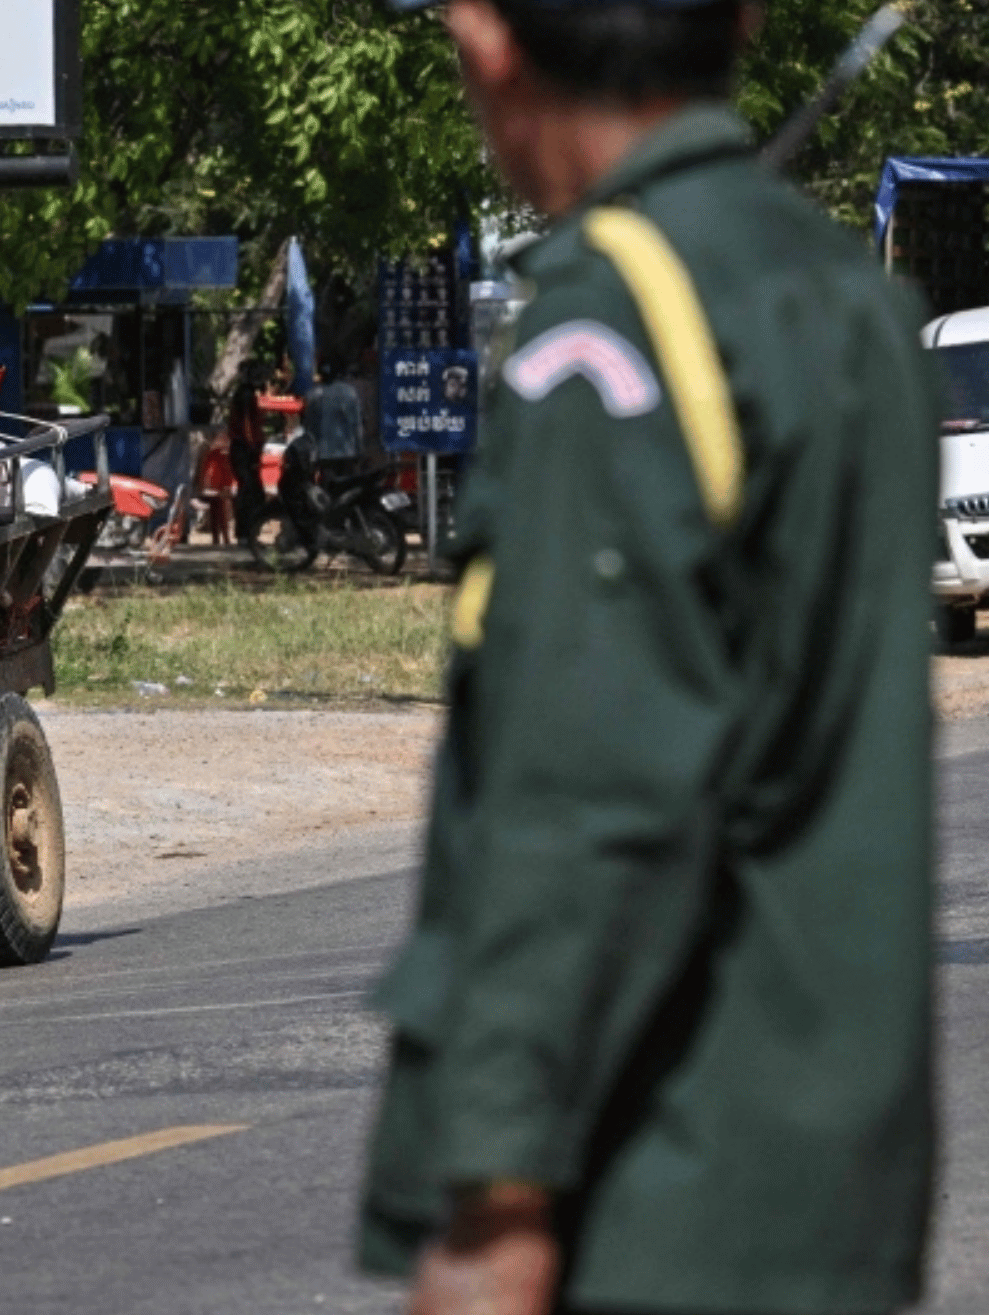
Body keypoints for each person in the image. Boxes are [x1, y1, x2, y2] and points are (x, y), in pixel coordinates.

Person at [360, 4, 938, 1315]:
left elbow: (587, 786)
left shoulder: (614, 314)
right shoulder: (843, 288)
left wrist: (498, 1190)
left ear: (486, 44)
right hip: (824, 1179)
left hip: (651, 1180)